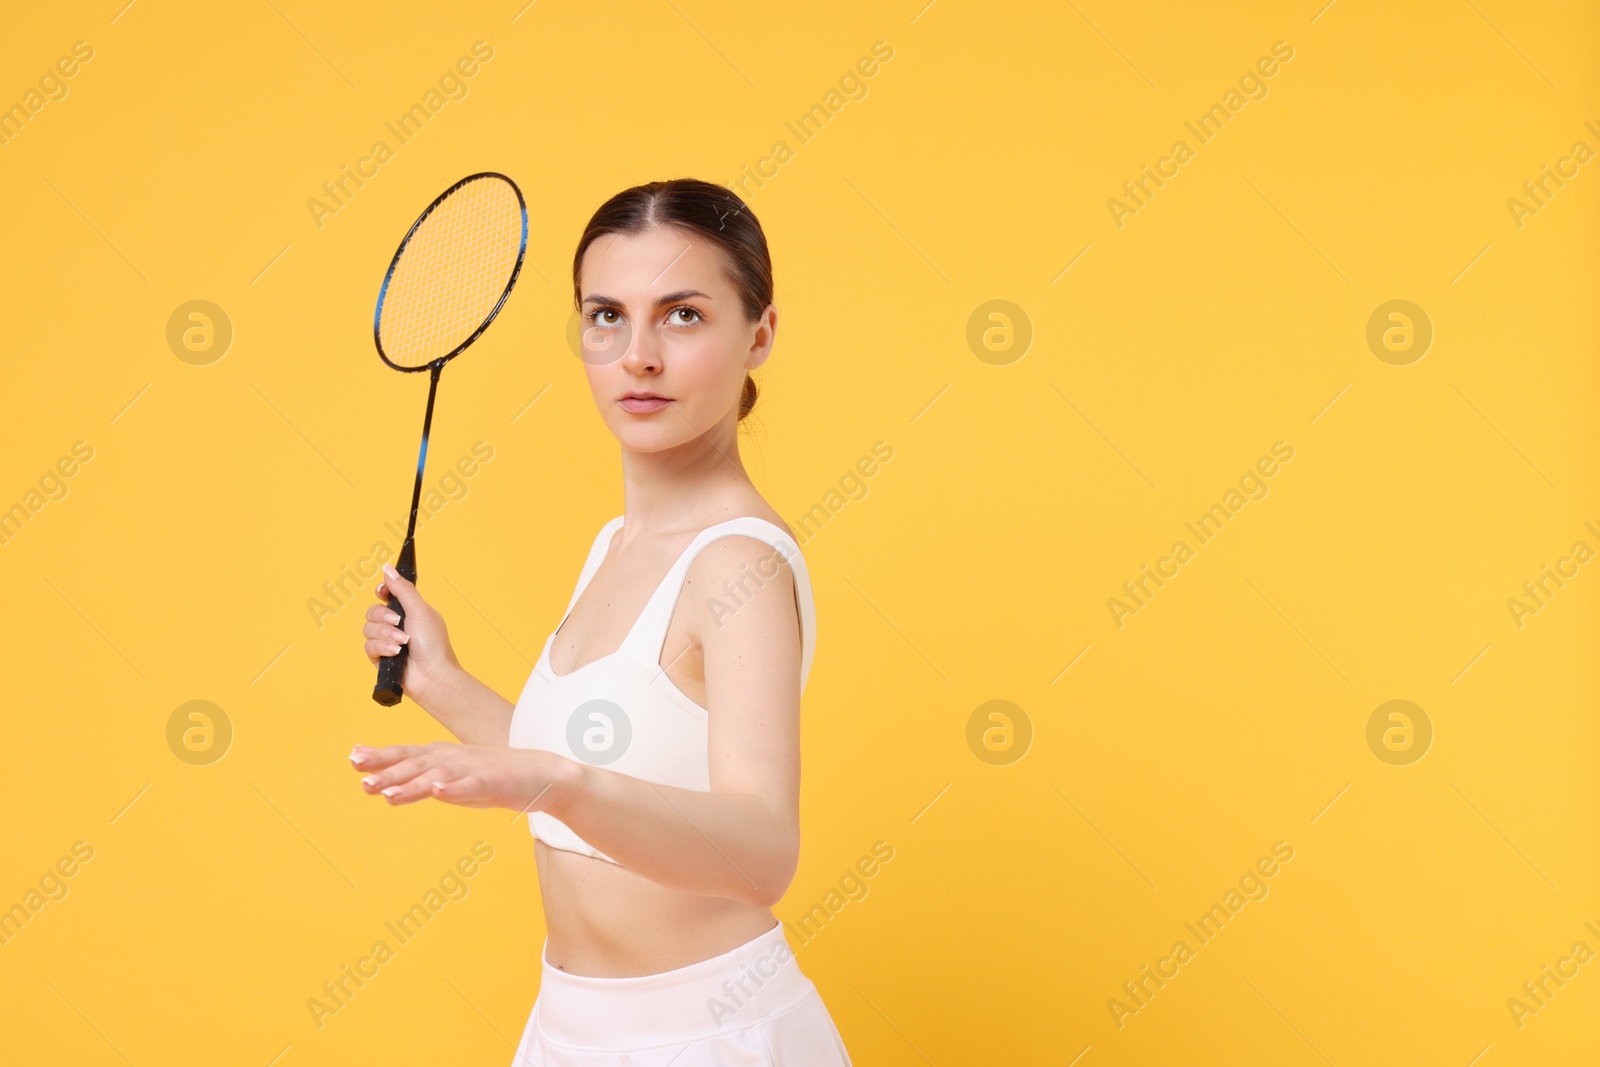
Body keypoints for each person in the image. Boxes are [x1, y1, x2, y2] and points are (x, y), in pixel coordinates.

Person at [351, 178, 852, 1065]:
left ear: (759, 334)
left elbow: (763, 849)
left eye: (684, 314)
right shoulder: (616, 543)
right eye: (607, 315)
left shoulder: (739, 562)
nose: (639, 355)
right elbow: (597, 759)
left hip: (707, 1035)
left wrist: (557, 782)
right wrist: (443, 684)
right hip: (569, 1029)